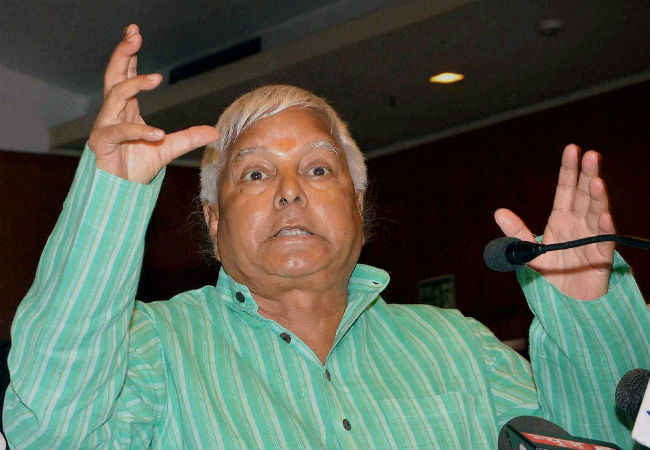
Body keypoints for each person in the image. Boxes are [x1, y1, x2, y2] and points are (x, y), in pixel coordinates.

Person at [3, 24, 649, 449]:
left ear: (358, 207)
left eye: (317, 169)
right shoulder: (152, 349)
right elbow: (49, 433)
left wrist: (588, 312)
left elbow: (597, 440)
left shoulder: (458, 347)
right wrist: (109, 202)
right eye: (255, 174)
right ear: (215, 222)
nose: (290, 192)